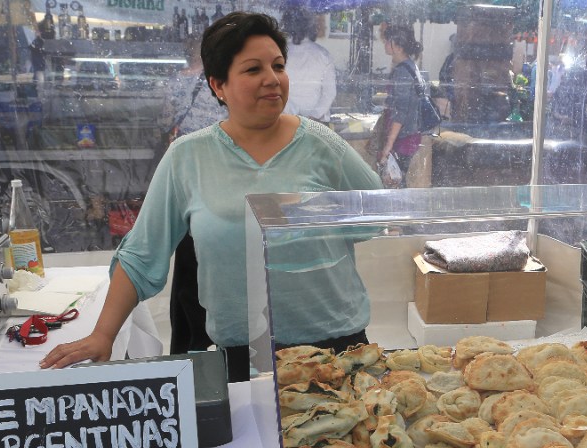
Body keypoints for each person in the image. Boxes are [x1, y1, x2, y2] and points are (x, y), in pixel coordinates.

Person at [41, 12, 382, 379]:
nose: (272, 79)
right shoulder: (188, 157)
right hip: (243, 354)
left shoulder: (322, 145)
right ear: (218, 85)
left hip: (338, 348)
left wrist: (314, 222)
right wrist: (102, 334)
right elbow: (141, 255)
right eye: (253, 70)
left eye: (278, 65)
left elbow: (375, 217)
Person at [158, 34, 228, 355]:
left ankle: (187, 344)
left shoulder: (175, 83)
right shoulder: (220, 87)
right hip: (221, 173)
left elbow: (164, 122)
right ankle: (206, 339)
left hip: (187, 177)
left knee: (188, 261)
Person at [377, 24, 426, 187]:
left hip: (402, 138)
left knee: (394, 182)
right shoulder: (410, 66)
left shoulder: (403, 72)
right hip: (409, 135)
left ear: (396, 46)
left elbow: (401, 111)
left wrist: (388, 145)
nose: (384, 44)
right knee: (397, 180)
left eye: (387, 41)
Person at [280, 7, 336, 123]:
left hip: (286, 121)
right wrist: (313, 117)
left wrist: (292, 114)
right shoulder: (323, 55)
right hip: (317, 124)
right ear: (310, 27)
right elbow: (329, 93)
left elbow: (274, 89)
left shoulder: (278, 54)